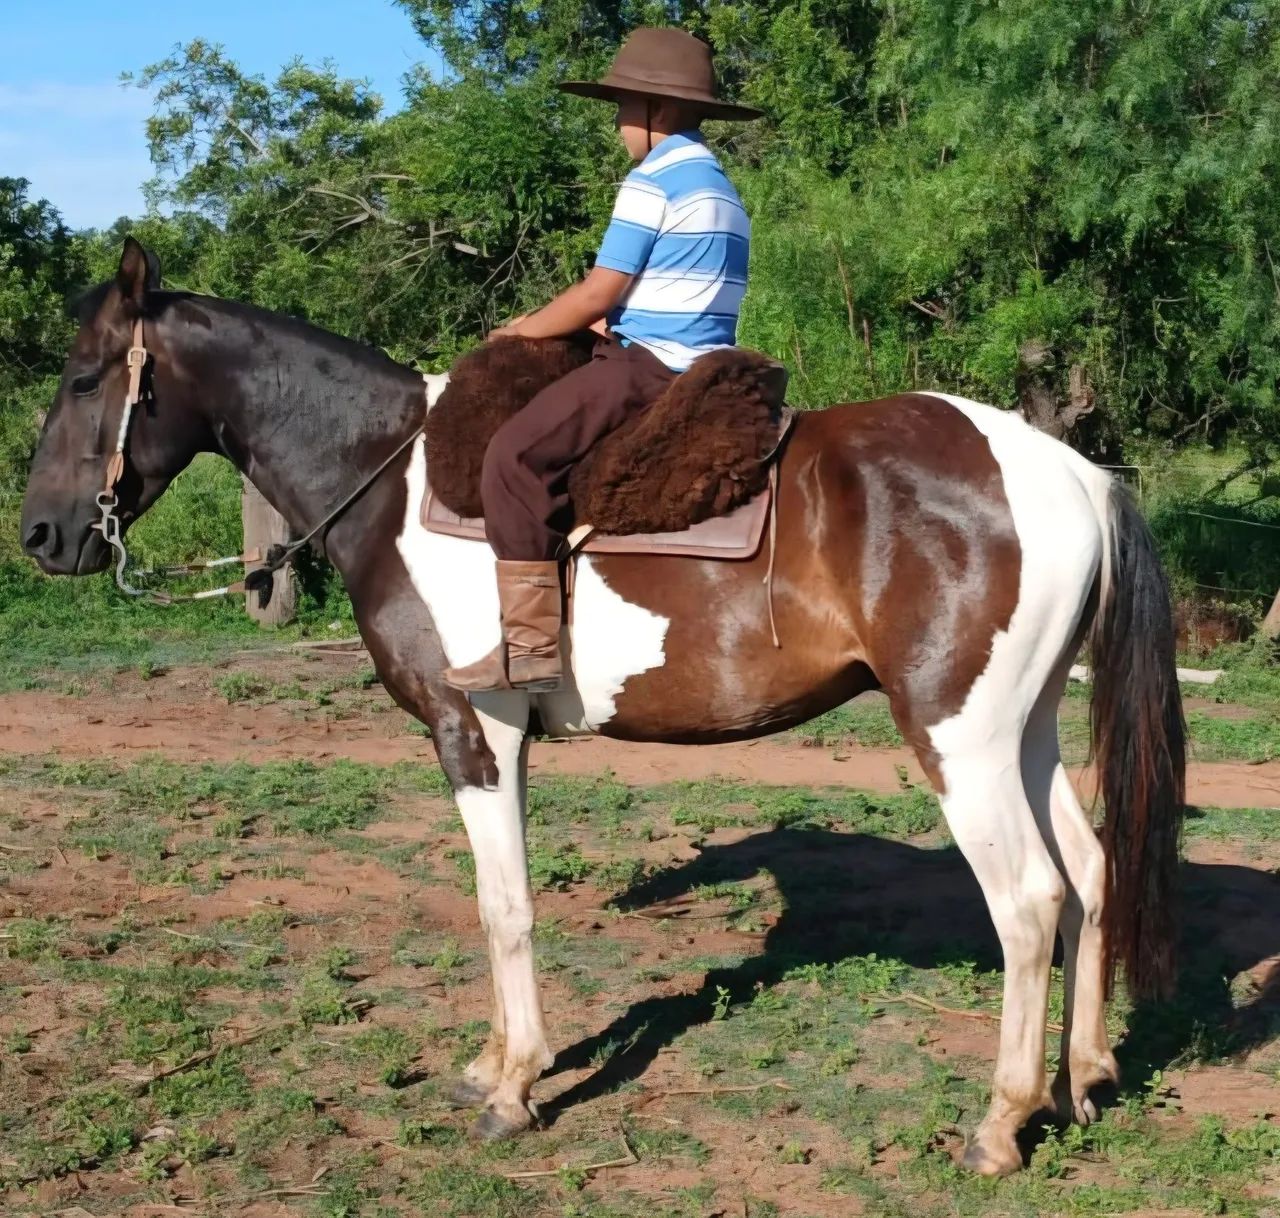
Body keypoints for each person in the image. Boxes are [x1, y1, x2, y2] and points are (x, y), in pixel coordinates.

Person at [444, 25, 762, 693]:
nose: (618, 125)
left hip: (648, 365)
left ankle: (528, 647)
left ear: (660, 113)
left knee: (513, 457)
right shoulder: (722, 189)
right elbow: (662, 291)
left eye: (623, 109)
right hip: (704, 358)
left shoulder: (653, 180)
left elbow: (601, 287)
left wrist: (520, 332)